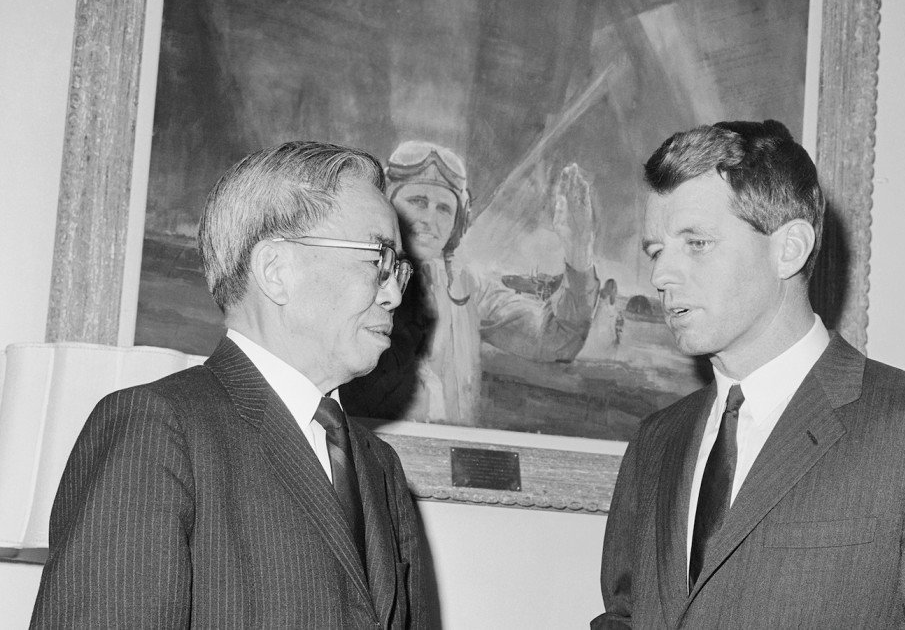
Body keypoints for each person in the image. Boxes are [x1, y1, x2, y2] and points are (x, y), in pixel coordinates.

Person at [593, 121, 905, 628]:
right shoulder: (654, 441)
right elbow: (623, 615)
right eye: (655, 251)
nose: (661, 276)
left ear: (790, 248)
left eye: (696, 243)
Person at [32, 142, 429, 628]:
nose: (393, 294)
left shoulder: (379, 466)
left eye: (399, 268)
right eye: (377, 259)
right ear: (276, 271)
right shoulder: (157, 427)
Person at [341, 140, 599, 424]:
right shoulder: (350, 280)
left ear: (458, 221)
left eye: (443, 209)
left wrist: (579, 251)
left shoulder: (469, 289)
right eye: (417, 202)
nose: (430, 219)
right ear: (387, 206)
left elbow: (557, 339)